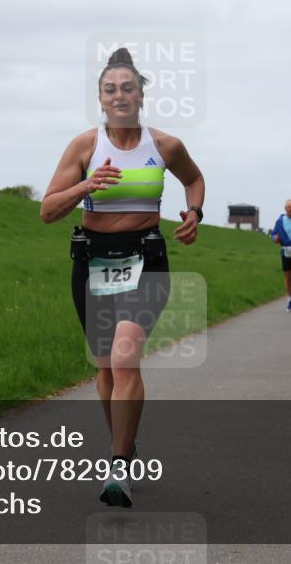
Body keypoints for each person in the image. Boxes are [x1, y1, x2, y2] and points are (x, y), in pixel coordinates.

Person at [40, 47, 205, 508]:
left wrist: (193, 211)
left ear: (141, 95)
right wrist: (84, 185)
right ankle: (124, 447)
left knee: (125, 356)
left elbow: (194, 179)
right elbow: (48, 211)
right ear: (100, 97)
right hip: (92, 263)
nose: (119, 95)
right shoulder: (85, 146)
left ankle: (117, 469)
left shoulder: (165, 145)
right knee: (105, 368)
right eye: (110, 89)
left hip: (145, 260)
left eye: (127, 88)